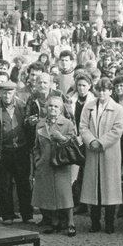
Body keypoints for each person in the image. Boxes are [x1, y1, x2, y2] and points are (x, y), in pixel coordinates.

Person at [79, 77, 123, 233]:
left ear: (110, 91)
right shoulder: (89, 107)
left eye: (105, 90)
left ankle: (110, 222)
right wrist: (91, 141)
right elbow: (83, 127)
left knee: (109, 188)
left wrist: (101, 142)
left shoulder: (117, 108)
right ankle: (95, 222)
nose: (102, 93)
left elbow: (117, 130)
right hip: (93, 151)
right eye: (100, 90)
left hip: (109, 152)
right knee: (94, 187)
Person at [32, 95, 78, 236]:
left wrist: (63, 139)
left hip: (61, 164)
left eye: (56, 106)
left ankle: (71, 223)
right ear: (46, 108)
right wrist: (37, 159)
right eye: (50, 106)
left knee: (64, 194)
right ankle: (54, 222)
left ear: (61, 109)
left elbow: (75, 143)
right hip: (45, 163)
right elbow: (36, 146)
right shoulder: (40, 124)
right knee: (49, 194)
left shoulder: (68, 124)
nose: (53, 108)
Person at [0, 78, 34, 225]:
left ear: (14, 92)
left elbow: (28, 127)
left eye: (10, 93)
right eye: (4, 93)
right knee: (4, 184)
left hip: (21, 150)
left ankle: (27, 214)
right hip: (3, 151)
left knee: (23, 183)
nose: (7, 96)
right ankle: (7, 215)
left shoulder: (22, 106)